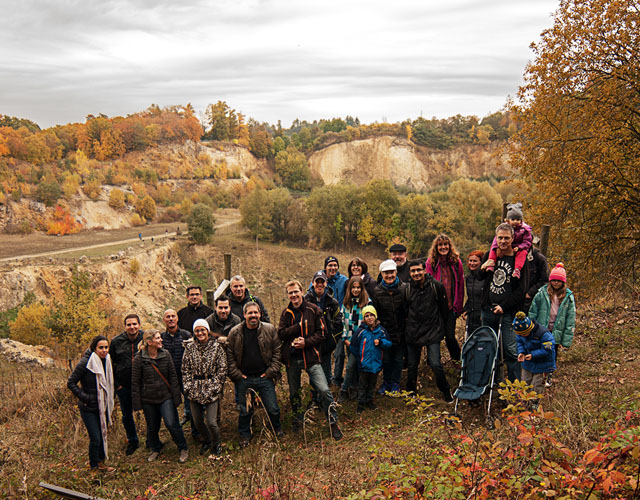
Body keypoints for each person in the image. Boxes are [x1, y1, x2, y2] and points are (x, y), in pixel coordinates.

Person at [277, 280, 343, 440]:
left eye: (296, 292)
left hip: (311, 358)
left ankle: (333, 422)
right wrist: (297, 328)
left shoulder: (314, 310)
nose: (293, 295)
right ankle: (298, 420)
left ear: (302, 292)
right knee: (294, 393)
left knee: (324, 390)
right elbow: (280, 333)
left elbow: (322, 333)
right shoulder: (286, 313)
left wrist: (305, 342)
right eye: (290, 293)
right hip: (292, 359)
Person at [479, 223, 530, 383]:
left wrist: (504, 306)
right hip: (488, 310)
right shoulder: (491, 254)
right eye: (500, 237)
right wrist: (482, 268)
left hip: (508, 312)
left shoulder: (519, 258)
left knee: (511, 351)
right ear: (496, 238)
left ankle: (515, 388)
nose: (503, 241)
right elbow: (481, 279)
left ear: (513, 238)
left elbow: (521, 291)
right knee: (491, 349)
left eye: (506, 238)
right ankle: (495, 383)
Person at [226, 302, 283, 446]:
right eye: (250, 313)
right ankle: (245, 435)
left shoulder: (269, 330)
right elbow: (230, 356)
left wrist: (271, 372)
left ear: (260, 314)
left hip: (264, 376)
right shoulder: (235, 332)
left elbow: (277, 351)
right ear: (244, 315)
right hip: (244, 378)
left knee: (273, 408)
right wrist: (237, 374)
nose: (253, 316)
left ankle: (276, 429)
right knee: (245, 410)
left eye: (255, 313)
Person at [132, 329, 188, 463]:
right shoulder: (139, 358)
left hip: (165, 396)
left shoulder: (166, 354)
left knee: (171, 423)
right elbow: (135, 381)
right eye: (158, 338)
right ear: (149, 342)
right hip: (148, 398)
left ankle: (183, 448)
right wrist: (137, 403)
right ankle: (155, 448)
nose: (161, 340)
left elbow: (173, 377)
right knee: (152, 426)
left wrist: (176, 397)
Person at [405, 260, 453, 402]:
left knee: (435, 363)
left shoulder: (436, 286)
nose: (416, 273)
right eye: (413, 271)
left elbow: (444, 309)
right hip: (413, 331)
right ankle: (411, 392)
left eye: (419, 270)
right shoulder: (406, 289)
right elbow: (404, 311)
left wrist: (441, 330)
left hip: (433, 330)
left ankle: (446, 390)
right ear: (410, 273)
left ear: (424, 270)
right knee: (412, 365)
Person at [67, 335, 115, 472]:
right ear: (94, 348)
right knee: (95, 438)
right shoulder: (86, 363)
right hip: (89, 407)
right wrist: (85, 397)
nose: (104, 350)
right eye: (101, 348)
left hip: (102, 405)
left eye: (106, 347)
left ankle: (101, 463)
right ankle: (93, 467)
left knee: (102, 434)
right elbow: (71, 382)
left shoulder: (107, 361)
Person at [181, 319, 227, 455]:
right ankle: (207, 440)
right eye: (197, 330)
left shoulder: (217, 347)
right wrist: (188, 386)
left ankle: (216, 443)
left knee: (212, 422)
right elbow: (185, 369)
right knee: (196, 421)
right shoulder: (189, 348)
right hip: (194, 388)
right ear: (194, 333)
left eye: (202, 330)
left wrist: (216, 386)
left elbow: (222, 368)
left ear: (207, 331)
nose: (200, 333)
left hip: (211, 387)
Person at [528, 263, 575, 387]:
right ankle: (538, 373)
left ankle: (549, 374)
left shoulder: (568, 297)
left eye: (558, 281)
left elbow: (570, 317)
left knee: (552, 352)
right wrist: (531, 328)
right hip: (542, 327)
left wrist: (567, 336)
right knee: (540, 350)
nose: (556, 283)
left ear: (563, 282)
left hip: (556, 329)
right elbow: (533, 311)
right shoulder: (541, 294)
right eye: (553, 280)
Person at [370, 259, 408, 394]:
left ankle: (395, 383)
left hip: (401, 331)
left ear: (396, 272)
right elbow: (376, 313)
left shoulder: (405, 288)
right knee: (386, 360)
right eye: (386, 273)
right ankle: (386, 382)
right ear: (381, 274)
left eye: (391, 272)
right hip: (385, 332)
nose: (389, 275)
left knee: (398, 360)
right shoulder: (377, 291)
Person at [425, 234, 464, 362]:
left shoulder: (456, 262)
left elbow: (460, 284)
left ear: (449, 246)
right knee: (435, 338)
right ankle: (434, 364)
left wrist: (458, 306)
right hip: (436, 308)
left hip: (451, 306)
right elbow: (429, 285)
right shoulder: (431, 262)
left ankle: (458, 360)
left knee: (450, 337)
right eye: (440, 245)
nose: (443, 247)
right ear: (436, 247)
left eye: (445, 244)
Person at [109, 313, 143, 455]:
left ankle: (152, 440)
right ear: (125, 326)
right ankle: (132, 440)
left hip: (142, 384)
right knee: (126, 414)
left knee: (150, 411)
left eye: (134, 324)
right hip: (123, 385)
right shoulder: (116, 341)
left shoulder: (145, 338)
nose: (132, 327)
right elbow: (109, 364)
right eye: (129, 324)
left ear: (139, 325)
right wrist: (117, 385)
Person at [349, 306, 392, 412]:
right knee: (362, 384)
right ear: (363, 318)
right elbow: (353, 346)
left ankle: (370, 401)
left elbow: (389, 343)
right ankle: (361, 403)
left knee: (372, 384)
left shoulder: (381, 331)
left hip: (376, 363)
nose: (369, 318)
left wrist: (381, 342)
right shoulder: (360, 331)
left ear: (375, 316)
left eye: (371, 315)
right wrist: (360, 358)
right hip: (364, 364)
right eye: (367, 316)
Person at [304, 271, 343, 388]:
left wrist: (332, 341)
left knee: (326, 372)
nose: (320, 285)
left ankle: (325, 401)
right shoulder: (306, 301)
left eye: (322, 282)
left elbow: (338, 323)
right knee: (313, 373)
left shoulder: (332, 302)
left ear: (326, 283)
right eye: (317, 282)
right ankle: (314, 399)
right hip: (311, 344)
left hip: (326, 343)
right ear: (312, 283)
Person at [338, 276, 370, 402]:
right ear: (349, 289)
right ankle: (353, 387)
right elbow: (343, 323)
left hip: (362, 342)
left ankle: (344, 390)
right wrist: (345, 338)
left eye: (358, 287)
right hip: (349, 340)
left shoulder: (367, 303)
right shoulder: (346, 304)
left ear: (362, 289)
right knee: (353, 365)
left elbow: (369, 323)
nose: (356, 290)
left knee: (351, 365)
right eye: (353, 288)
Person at [513, 312, 555, 409]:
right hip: (528, 362)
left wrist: (533, 355)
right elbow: (520, 343)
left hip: (543, 363)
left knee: (536, 384)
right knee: (525, 382)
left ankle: (534, 404)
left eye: (524, 334)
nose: (523, 336)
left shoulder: (543, 334)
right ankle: (524, 402)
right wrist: (521, 352)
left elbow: (548, 349)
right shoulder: (520, 333)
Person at [484, 203, 533, 279]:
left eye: (518, 219)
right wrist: (497, 247)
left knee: (522, 253)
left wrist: (520, 247)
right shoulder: (503, 229)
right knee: (493, 250)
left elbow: (527, 241)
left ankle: (517, 269)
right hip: (504, 248)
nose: (515, 221)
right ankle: (491, 263)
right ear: (508, 220)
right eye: (513, 219)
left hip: (519, 247)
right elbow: (495, 241)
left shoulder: (524, 230)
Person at [161, 309, 192, 425]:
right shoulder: (161, 337)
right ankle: (175, 425)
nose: (170, 319)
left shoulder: (186, 335)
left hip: (185, 374)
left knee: (189, 399)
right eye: (168, 317)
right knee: (172, 401)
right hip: (169, 376)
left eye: (173, 316)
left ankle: (191, 419)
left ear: (177, 318)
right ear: (164, 320)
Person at [462, 250, 485, 337]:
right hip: (471, 317)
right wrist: (465, 309)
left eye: (475, 261)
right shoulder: (468, 278)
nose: (472, 263)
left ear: (481, 262)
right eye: (470, 261)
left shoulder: (486, 278)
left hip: (482, 317)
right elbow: (471, 296)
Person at [523, 246, 550, 313]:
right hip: (515, 300)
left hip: (531, 301)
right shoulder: (513, 255)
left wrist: (530, 293)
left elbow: (545, 280)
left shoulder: (539, 258)